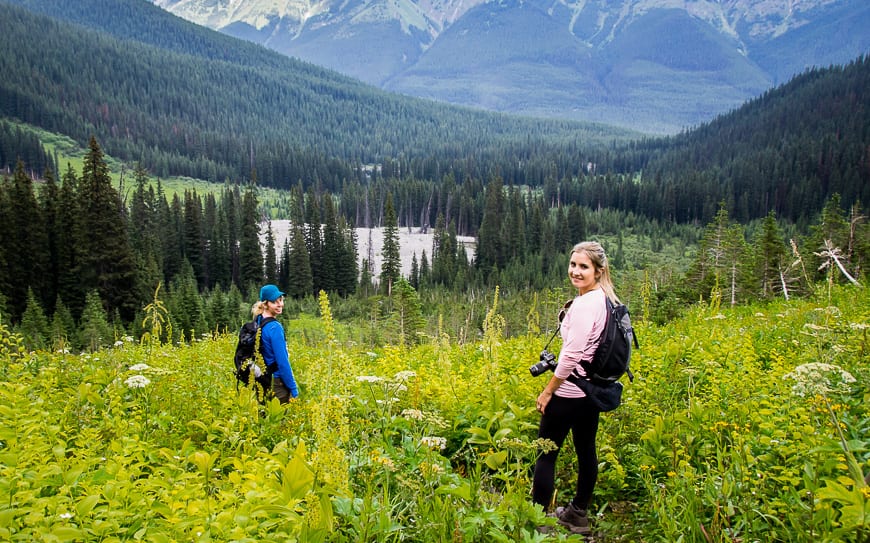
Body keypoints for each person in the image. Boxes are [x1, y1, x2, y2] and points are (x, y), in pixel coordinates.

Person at [532, 241, 620, 535]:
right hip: (591, 393)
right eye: (573, 265)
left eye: (584, 267)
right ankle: (577, 515)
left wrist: (548, 390)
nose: (576, 272)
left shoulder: (585, 305)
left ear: (598, 270)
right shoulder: (605, 299)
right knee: (586, 451)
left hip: (570, 392)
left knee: (546, 454)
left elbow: (571, 356)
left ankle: (539, 522)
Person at [253, 284, 299, 403]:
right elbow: (282, 362)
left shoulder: (258, 321)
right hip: (277, 382)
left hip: (261, 379)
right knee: (278, 419)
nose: (280, 304)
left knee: (264, 417)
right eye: (275, 302)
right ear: (265, 304)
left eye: (281, 300)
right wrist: (293, 388)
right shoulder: (275, 327)